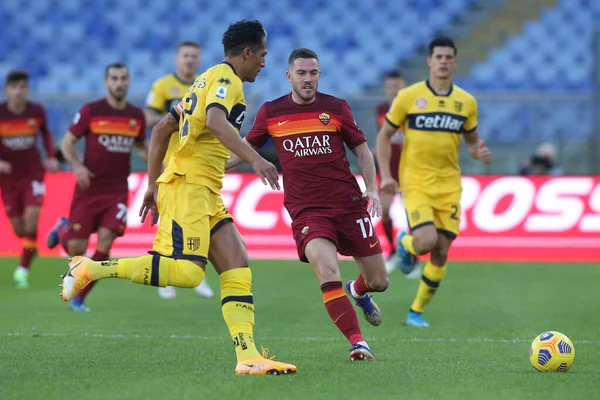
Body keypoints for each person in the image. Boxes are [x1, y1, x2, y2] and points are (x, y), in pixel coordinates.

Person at [59, 20, 296, 376]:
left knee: (237, 264)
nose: (264, 63)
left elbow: (161, 129)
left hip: (202, 187)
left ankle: (247, 356)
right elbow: (216, 122)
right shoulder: (225, 80)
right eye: (262, 55)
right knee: (186, 273)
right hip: (189, 187)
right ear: (247, 53)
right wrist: (256, 158)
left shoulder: (203, 80)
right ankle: (88, 268)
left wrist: (154, 185)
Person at [226, 48, 389, 361]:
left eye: (313, 72)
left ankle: (359, 290)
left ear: (319, 75)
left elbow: (363, 152)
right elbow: (245, 149)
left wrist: (371, 189)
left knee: (379, 281)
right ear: (289, 76)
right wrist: (211, 167)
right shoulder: (272, 112)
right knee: (327, 272)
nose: (307, 78)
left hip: (348, 204)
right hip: (307, 210)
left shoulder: (336, 107)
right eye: (301, 73)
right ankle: (358, 343)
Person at [376, 37, 491, 328]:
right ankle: (406, 242)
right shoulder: (409, 97)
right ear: (429, 61)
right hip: (415, 181)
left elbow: (473, 141)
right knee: (426, 242)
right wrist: (387, 175)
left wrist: (479, 151)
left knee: (441, 250)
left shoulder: (466, 102)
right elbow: (384, 135)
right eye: (438, 56)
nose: (442, 61)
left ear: (454, 62)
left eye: (448, 57)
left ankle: (416, 311)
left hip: (450, 185)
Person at [48, 63, 148, 311]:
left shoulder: (136, 116)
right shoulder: (91, 111)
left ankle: (81, 298)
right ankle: (63, 229)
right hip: (89, 188)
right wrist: (77, 166)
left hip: (116, 191)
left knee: (105, 243)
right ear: (106, 82)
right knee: (77, 251)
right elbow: (67, 143)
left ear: (129, 82)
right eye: (114, 78)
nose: (119, 83)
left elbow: (141, 147)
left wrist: (161, 163)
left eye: (123, 78)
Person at [145, 40, 214, 299]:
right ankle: (167, 277)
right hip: (168, 163)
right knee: (168, 219)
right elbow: (148, 118)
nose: (189, 60)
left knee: (200, 219)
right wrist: (178, 113)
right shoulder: (163, 86)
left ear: (199, 60)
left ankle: (197, 275)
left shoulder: (204, 86)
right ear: (177, 59)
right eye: (185, 55)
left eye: (194, 56)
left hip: (196, 164)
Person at [0, 70, 59, 288]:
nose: (18, 91)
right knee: (20, 229)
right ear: (7, 90)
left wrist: (51, 157)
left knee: (32, 219)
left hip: (32, 172)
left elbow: (46, 134)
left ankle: (22, 270)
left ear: (27, 89)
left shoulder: (36, 111)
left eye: (22, 87)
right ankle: (41, 241)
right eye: (14, 87)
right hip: (7, 178)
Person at [374, 70, 406, 272]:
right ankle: (393, 250)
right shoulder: (382, 109)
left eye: (397, 86)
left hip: (409, 170)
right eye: (390, 86)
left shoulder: (411, 108)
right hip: (387, 170)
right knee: (384, 211)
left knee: (413, 214)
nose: (393, 90)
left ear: (403, 86)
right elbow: (381, 137)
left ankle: (410, 255)